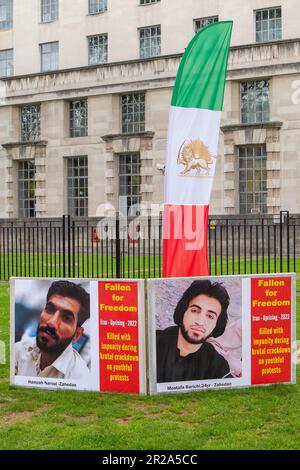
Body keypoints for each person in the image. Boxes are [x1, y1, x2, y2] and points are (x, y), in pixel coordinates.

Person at [156, 280, 231, 383]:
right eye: (195, 311)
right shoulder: (153, 343)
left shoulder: (218, 365)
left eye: (210, 316)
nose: (200, 322)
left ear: (217, 325)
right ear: (183, 311)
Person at [15, 280, 90, 381]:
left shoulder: (79, 378)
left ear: (77, 334)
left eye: (66, 318)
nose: (51, 323)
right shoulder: (19, 350)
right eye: (50, 309)